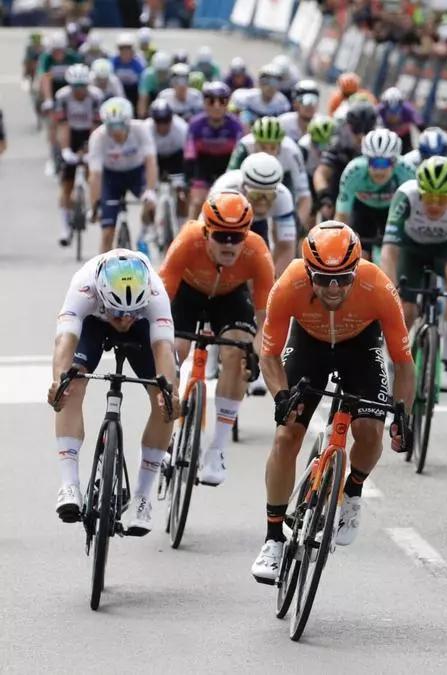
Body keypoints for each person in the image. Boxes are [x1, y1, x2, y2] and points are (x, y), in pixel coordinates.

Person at [250, 222, 414, 584]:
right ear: (308, 272)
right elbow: (269, 354)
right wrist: (280, 396)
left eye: (343, 277)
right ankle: (273, 538)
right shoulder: (289, 284)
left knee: (371, 431)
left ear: (356, 270)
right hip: (309, 345)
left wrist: (404, 414)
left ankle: (353, 492)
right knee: (286, 436)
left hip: (361, 345)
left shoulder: (378, 286)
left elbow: (404, 363)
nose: (335, 287)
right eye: (323, 279)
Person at [49, 250, 180, 535]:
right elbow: (65, 340)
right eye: (119, 312)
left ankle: (143, 497)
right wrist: (59, 381)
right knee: (70, 385)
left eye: (131, 312)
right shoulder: (84, 287)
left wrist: (169, 391)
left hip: (143, 330)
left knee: (164, 399)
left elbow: (164, 350)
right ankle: (69, 484)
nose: (124, 320)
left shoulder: (155, 293)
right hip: (94, 324)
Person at [158, 191, 273, 484]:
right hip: (187, 293)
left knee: (239, 352)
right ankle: (166, 434)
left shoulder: (257, 252)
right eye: (222, 236)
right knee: (174, 350)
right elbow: (159, 300)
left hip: (230, 298)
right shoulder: (187, 239)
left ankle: (217, 448)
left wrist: (257, 354)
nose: (230, 244)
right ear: (206, 231)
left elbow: (266, 321)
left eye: (238, 237)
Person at [379, 157, 447, 393]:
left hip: (446, 249)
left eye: (442, 199)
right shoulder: (405, 195)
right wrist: (390, 290)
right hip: (411, 249)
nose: (434, 205)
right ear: (419, 192)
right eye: (429, 198)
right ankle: (389, 362)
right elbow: (389, 251)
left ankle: (446, 360)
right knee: (407, 310)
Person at [88, 98, 158, 254]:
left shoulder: (140, 129)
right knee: (107, 233)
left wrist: (151, 190)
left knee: (151, 203)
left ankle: (143, 236)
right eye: (111, 126)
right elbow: (95, 176)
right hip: (111, 178)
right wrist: (95, 204)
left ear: (128, 122)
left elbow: (151, 162)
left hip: (136, 174)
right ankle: (100, 272)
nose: (116, 131)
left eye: (120, 125)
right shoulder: (98, 137)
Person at [212, 152, 298, 275]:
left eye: (269, 196)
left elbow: (286, 246)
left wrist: (273, 282)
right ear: (242, 187)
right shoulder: (225, 191)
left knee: (261, 264)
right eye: (256, 195)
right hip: (227, 225)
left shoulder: (283, 197)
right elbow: (206, 237)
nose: (262, 202)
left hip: (257, 224)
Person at [334, 129, 415, 256]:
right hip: (363, 209)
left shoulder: (407, 171)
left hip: (392, 210)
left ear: (395, 162)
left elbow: (415, 211)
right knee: (360, 255)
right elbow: (342, 215)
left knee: (394, 255)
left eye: (384, 163)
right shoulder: (353, 171)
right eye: (374, 162)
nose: (379, 170)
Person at [227, 116, 312, 226]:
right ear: (255, 142)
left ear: (280, 144)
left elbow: (304, 195)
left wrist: (297, 226)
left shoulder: (292, 151)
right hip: (251, 183)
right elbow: (228, 185)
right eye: (263, 147)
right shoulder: (244, 146)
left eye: (272, 147)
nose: (267, 152)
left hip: (283, 178)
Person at [53, 64, 104, 248]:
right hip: (70, 134)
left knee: (94, 173)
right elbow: (62, 126)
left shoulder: (96, 96)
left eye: (83, 86)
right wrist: (66, 150)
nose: (80, 90)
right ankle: (65, 227)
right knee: (67, 183)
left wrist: (90, 151)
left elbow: (96, 127)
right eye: (76, 87)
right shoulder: (62, 97)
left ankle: (92, 207)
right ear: (70, 86)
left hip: (89, 133)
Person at [185, 81, 243, 217]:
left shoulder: (236, 126)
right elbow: (189, 155)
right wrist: (188, 181)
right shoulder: (195, 125)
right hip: (203, 167)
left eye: (222, 101)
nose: (216, 106)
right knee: (198, 202)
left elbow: (240, 155)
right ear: (204, 103)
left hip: (228, 167)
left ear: (228, 103)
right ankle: (191, 233)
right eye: (211, 101)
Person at [313, 102, 378, 221]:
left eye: (366, 131)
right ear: (348, 126)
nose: (361, 136)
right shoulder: (338, 141)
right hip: (338, 189)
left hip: (365, 193)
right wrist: (324, 198)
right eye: (356, 130)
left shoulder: (378, 144)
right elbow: (321, 173)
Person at [377, 87, 421, 154]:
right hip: (385, 134)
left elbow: (420, 124)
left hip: (403, 137)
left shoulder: (408, 110)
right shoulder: (379, 109)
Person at [110, 33, 144, 104]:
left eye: (128, 48)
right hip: (117, 89)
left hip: (134, 91)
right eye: (122, 49)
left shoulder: (138, 63)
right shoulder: (113, 61)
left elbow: (142, 82)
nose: (125, 51)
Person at [137, 51, 172, 118]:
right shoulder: (147, 76)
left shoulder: (173, 75)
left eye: (164, 72)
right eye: (159, 72)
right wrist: (142, 117)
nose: (162, 75)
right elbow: (143, 99)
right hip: (153, 97)